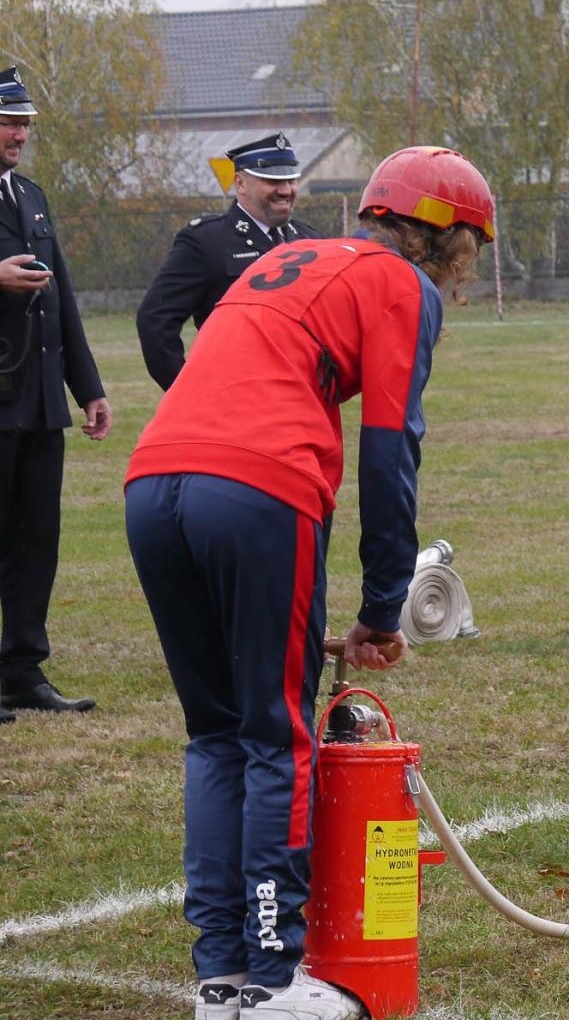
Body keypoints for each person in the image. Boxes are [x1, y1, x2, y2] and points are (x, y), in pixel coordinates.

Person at [124, 146, 493, 1019]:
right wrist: (379, 607)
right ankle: (278, 977)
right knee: (275, 735)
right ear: (449, 237)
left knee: (215, 736)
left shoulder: (293, 262)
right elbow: (390, 448)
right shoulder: (406, 286)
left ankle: (219, 974)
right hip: (253, 489)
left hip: (152, 483)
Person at [0, 66, 112, 724]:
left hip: (39, 402)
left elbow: (62, 298)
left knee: (37, 537)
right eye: (10, 122)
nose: (19, 134)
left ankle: (21, 670)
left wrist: (88, 388)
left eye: (24, 124)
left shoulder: (32, 195)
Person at [137, 132, 321, 390]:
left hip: (304, 395)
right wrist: (189, 392)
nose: (286, 190)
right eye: (272, 180)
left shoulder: (309, 239)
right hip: (240, 397)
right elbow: (155, 320)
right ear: (240, 183)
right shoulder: (207, 241)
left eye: (291, 180)